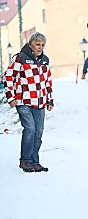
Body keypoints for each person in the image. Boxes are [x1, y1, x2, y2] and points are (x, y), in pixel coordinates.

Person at [3, 32, 54, 172]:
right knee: (30, 128)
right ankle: (25, 160)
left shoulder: (45, 60)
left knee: (38, 132)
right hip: (23, 100)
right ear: (31, 44)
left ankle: (34, 161)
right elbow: (8, 77)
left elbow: (47, 81)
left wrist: (49, 99)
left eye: (42, 45)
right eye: (37, 44)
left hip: (40, 101)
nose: (40, 47)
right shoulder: (20, 58)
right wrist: (11, 97)